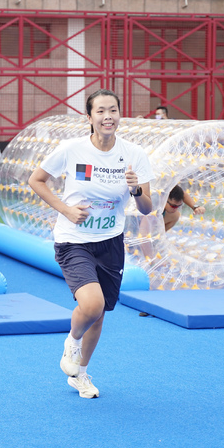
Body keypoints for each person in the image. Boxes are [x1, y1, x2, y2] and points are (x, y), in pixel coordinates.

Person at [28, 89, 154, 399]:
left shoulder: (134, 154)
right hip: (74, 240)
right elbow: (36, 180)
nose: (107, 116)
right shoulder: (72, 149)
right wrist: (66, 210)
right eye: (100, 111)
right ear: (89, 117)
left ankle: (80, 375)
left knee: (100, 315)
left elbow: (146, 208)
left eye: (113, 110)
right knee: (92, 304)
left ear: (119, 115)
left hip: (110, 242)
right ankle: (72, 341)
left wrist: (136, 190)